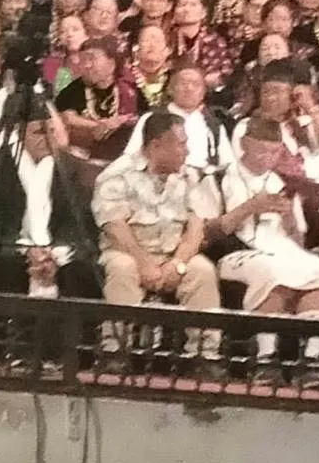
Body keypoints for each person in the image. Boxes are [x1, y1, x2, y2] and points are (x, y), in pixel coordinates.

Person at [91, 110, 222, 366]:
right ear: (156, 146)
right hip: (128, 251)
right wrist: (144, 263)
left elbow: (196, 228)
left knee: (203, 271)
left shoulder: (190, 176)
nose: (186, 151)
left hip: (175, 254)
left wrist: (178, 263)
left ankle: (205, 357)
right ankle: (115, 353)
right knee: (122, 269)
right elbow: (114, 227)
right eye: (181, 144)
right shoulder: (117, 174)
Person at [211, 117, 319, 387]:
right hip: (236, 251)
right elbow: (212, 232)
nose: (268, 158)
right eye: (262, 151)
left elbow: (298, 239)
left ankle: (310, 359)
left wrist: (289, 217)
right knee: (271, 271)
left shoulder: (282, 183)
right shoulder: (220, 177)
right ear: (244, 144)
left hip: (281, 248)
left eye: (275, 152)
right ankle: (266, 358)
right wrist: (250, 207)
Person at [0, 99, 100, 299]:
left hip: (59, 248)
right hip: (11, 246)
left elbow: (77, 222)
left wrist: (54, 254)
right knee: (0, 264)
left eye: (52, 131)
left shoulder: (70, 168)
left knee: (81, 269)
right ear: (19, 131)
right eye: (40, 132)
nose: (48, 139)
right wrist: (27, 251)